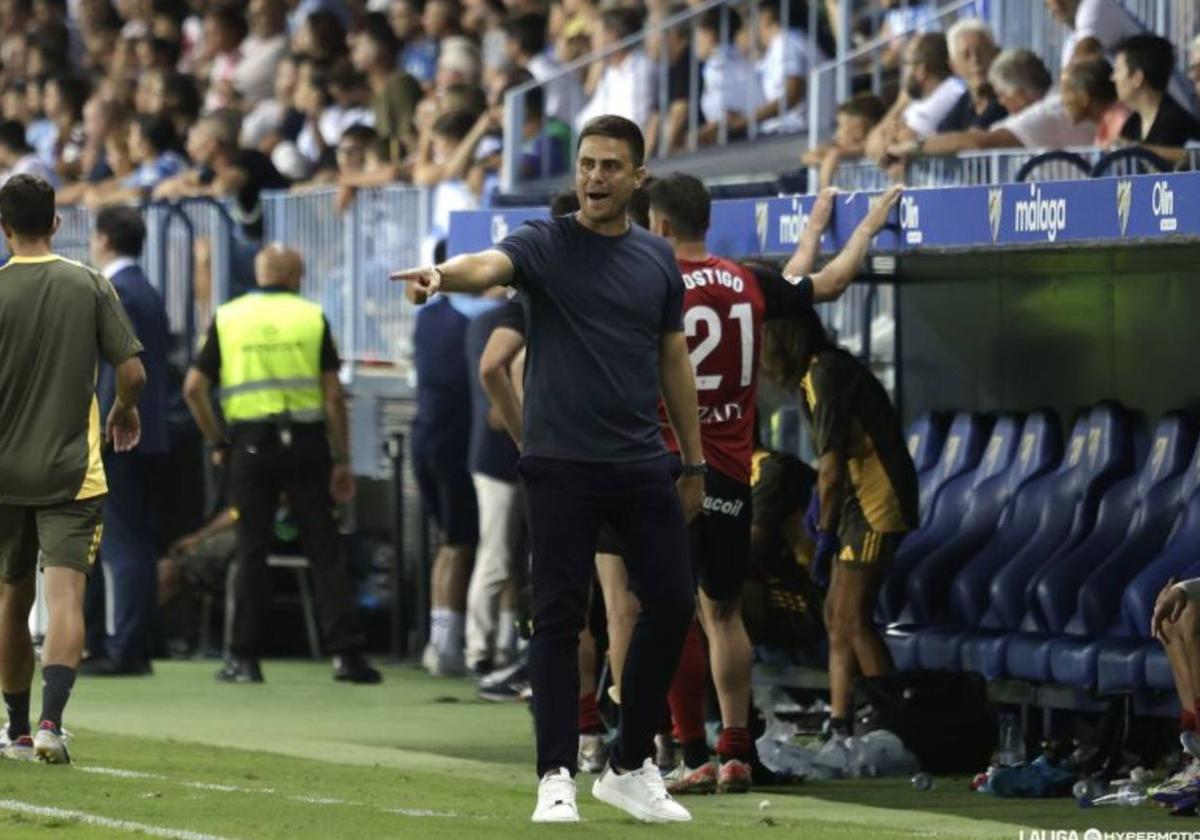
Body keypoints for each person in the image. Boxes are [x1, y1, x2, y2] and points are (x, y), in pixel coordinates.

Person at [392, 115, 702, 824]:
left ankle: (628, 765)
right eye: (588, 165)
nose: (595, 177)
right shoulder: (545, 242)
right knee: (560, 622)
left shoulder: (657, 259)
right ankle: (556, 774)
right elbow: (489, 265)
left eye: (610, 167)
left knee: (675, 603)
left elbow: (672, 360)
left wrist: (690, 458)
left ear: (637, 178)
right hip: (561, 462)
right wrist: (441, 276)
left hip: (642, 461)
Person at [640, 178, 902, 796]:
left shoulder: (651, 285)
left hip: (670, 463)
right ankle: (736, 751)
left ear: (659, 227)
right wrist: (856, 229)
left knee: (669, 612)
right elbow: (822, 284)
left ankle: (688, 748)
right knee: (726, 614)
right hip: (732, 470)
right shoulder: (745, 281)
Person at [181, 244, 381, 686]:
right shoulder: (311, 317)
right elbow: (332, 395)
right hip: (307, 443)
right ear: (293, 274)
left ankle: (243, 658)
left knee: (251, 549)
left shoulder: (228, 317)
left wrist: (218, 441)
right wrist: (343, 457)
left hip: (248, 445)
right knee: (324, 549)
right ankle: (346, 656)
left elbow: (194, 388)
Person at [0, 174, 145, 764]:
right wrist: (123, 410)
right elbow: (132, 371)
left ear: (3, 227)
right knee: (64, 597)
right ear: (57, 223)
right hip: (72, 470)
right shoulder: (88, 283)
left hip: (4, 471)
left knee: (10, 597)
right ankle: (53, 723)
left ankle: (14, 731)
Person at [761, 304, 919, 747]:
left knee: (851, 616)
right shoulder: (821, 371)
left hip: (875, 500)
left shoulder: (823, 376)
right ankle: (841, 724)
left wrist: (825, 535)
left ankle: (891, 726)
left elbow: (829, 469)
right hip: (856, 497)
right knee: (835, 615)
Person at [80, 206, 170, 677]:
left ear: (107, 238)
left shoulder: (117, 290)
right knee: (127, 540)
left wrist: (107, 425)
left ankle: (125, 648)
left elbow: (122, 366)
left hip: (123, 433)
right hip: (147, 432)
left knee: (121, 544)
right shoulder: (146, 289)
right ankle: (116, 641)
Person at [1113, 34, 1200, 156]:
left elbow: (1189, 161)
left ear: (1137, 78)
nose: (1113, 78)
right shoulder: (1132, 124)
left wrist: (1133, 149)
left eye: (1117, 70)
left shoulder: (1176, 124)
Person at [937, 18, 1006, 133]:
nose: (975, 60)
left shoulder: (1010, 96)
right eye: (966, 55)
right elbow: (940, 134)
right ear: (954, 66)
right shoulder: (966, 101)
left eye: (982, 51)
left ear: (997, 54)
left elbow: (975, 137)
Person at [1060, 58, 1129, 148]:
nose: (1062, 101)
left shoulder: (1123, 125)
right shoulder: (1106, 126)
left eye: (1066, 92)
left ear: (1084, 97)